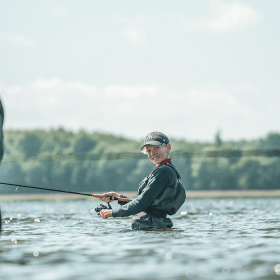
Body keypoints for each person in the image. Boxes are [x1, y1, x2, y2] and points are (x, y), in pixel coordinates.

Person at [98, 131, 186, 230]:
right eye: (148, 150)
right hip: (156, 227)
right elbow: (147, 205)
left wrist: (112, 212)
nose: (152, 153)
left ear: (168, 147)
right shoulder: (167, 170)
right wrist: (119, 198)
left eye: (157, 148)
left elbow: (142, 203)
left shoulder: (162, 171)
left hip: (151, 228)